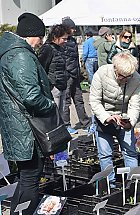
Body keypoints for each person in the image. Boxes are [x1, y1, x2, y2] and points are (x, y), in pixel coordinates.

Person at [0, 13, 56, 214]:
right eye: (41, 37)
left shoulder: (11, 51)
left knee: (27, 177)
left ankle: (19, 212)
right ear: (34, 35)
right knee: (30, 178)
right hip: (26, 129)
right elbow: (31, 96)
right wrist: (49, 105)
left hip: (19, 126)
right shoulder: (20, 55)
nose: (41, 42)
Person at [89, 52, 140, 186]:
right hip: (104, 117)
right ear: (114, 68)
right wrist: (107, 118)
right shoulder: (102, 73)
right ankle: (110, 185)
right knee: (105, 155)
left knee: (130, 152)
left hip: (124, 118)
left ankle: (134, 185)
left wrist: (130, 122)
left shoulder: (136, 79)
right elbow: (94, 101)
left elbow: (135, 104)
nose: (125, 79)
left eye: (128, 76)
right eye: (122, 76)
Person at [62, 17, 91, 133]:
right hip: (67, 76)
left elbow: (74, 59)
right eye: (73, 28)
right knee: (66, 102)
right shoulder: (61, 41)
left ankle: (85, 122)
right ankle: (66, 125)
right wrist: (68, 72)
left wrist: (79, 73)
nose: (74, 30)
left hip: (75, 75)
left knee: (79, 100)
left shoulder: (73, 41)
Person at [38, 24, 69, 116]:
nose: (66, 41)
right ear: (55, 37)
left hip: (61, 85)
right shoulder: (47, 49)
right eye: (64, 38)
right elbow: (41, 69)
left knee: (61, 115)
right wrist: (50, 86)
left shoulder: (60, 48)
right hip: (54, 87)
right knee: (54, 116)